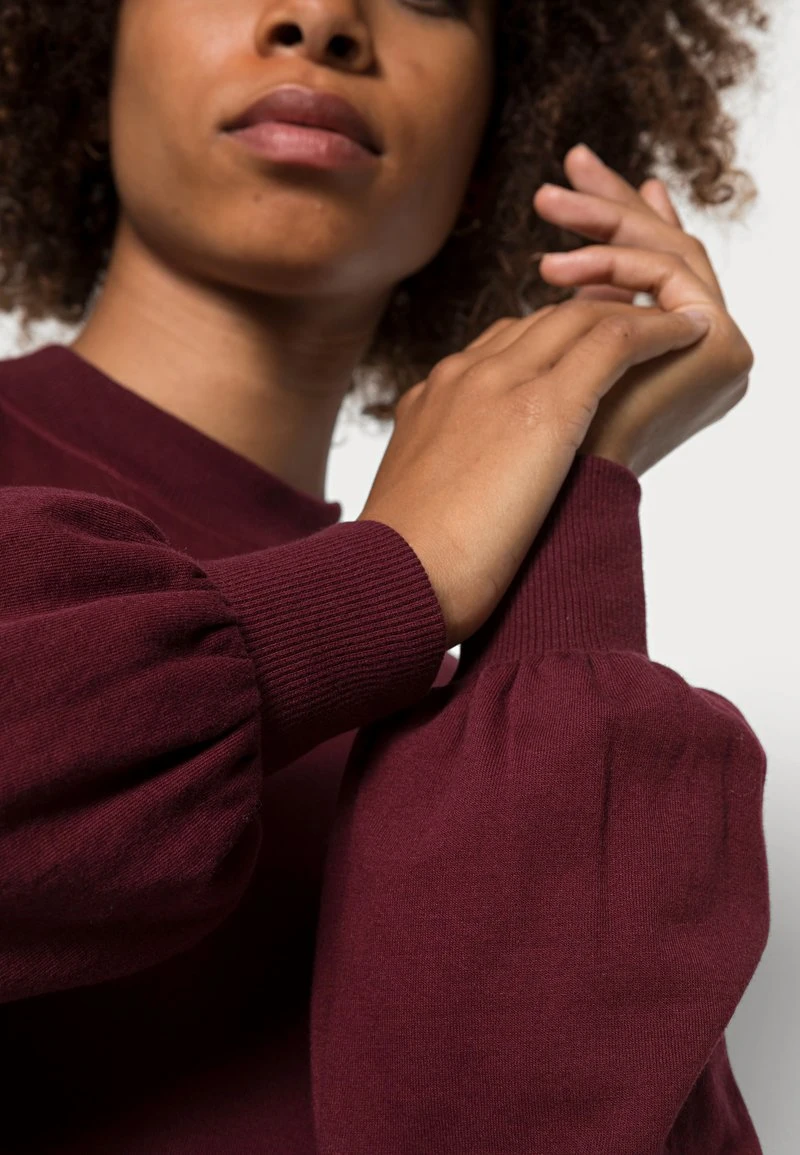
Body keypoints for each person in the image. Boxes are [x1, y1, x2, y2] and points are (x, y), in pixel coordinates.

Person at [0, 0, 771, 1151]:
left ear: (496, 141)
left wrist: (574, 482)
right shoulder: (407, 608)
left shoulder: (505, 699)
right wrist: (387, 578)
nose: (320, 18)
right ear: (84, 62)